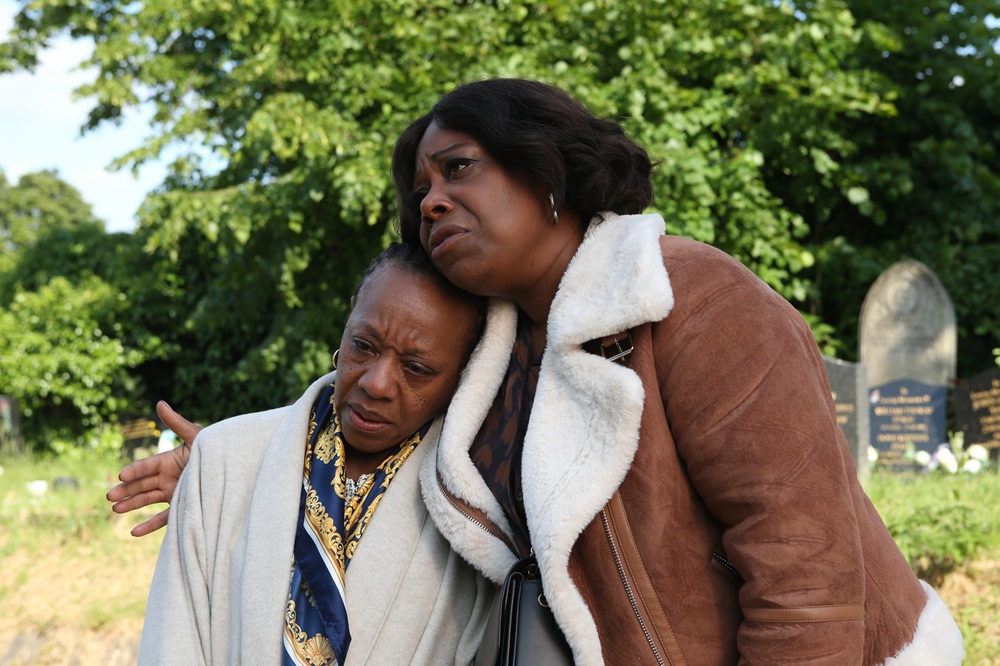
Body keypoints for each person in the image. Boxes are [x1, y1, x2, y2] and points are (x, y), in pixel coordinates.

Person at [115, 79, 964, 665]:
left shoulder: (696, 302)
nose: (430, 201)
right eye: (421, 189)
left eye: (458, 168)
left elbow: (806, 577)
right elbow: (384, 416)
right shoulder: (500, 356)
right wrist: (242, 465)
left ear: (547, 170)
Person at [130, 243, 495, 665]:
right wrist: (226, 470)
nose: (376, 383)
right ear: (348, 320)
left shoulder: (476, 513)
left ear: (465, 375)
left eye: (416, 368)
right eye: (364, 346)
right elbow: (172, 643)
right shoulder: (224, 461)